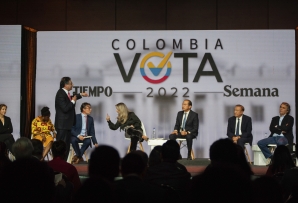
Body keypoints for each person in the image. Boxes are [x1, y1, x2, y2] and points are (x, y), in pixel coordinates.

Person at [55, 77, 88, 161]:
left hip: (67, 125)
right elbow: (65, 108)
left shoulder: (65, 93)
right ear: (65, 85)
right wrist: (73, 101)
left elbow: (73, 97)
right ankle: (58, 165)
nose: (72, 85)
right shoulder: (60, 94)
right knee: (61, 148)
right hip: (62, 126)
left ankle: (64, 163)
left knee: (65, 147)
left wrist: (80, 95)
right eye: (71, 83)